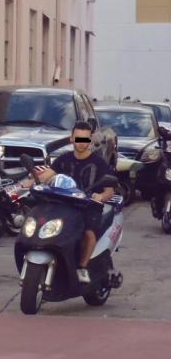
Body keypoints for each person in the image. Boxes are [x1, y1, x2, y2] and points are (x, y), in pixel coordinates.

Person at [32, 121, 115, 284]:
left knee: (88, 234)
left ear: (90, 140)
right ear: (71, 139)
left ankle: (82, 268)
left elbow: (110, 190)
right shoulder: (63, 160)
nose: (81, 143)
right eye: (78, 139)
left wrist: (100, 197)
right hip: (64, 205)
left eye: (85, 139)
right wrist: (26, 184)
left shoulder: (99, 163)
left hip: (88, 207)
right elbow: (45, 176)